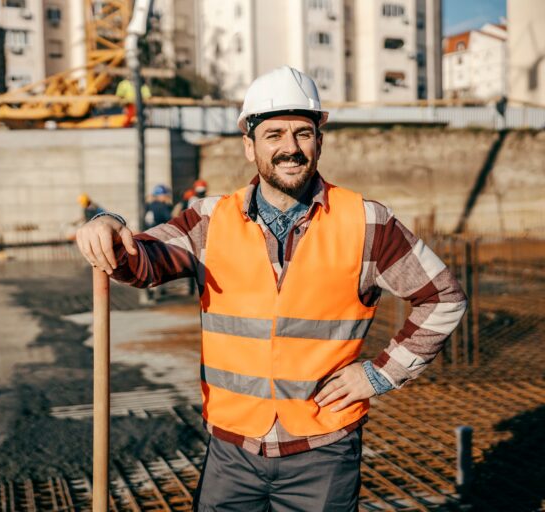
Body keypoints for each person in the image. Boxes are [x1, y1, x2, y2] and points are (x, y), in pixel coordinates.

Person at [76, 66, 467, 511]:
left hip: (323, 453)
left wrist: (379, 374)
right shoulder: (208, 221)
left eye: (302, 133)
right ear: (250, 145)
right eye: (274, 134)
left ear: (320, 141)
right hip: (231, 452)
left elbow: (442, 297)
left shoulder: (366, 222)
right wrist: (107, 225)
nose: (290, 148)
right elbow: (141, 261)